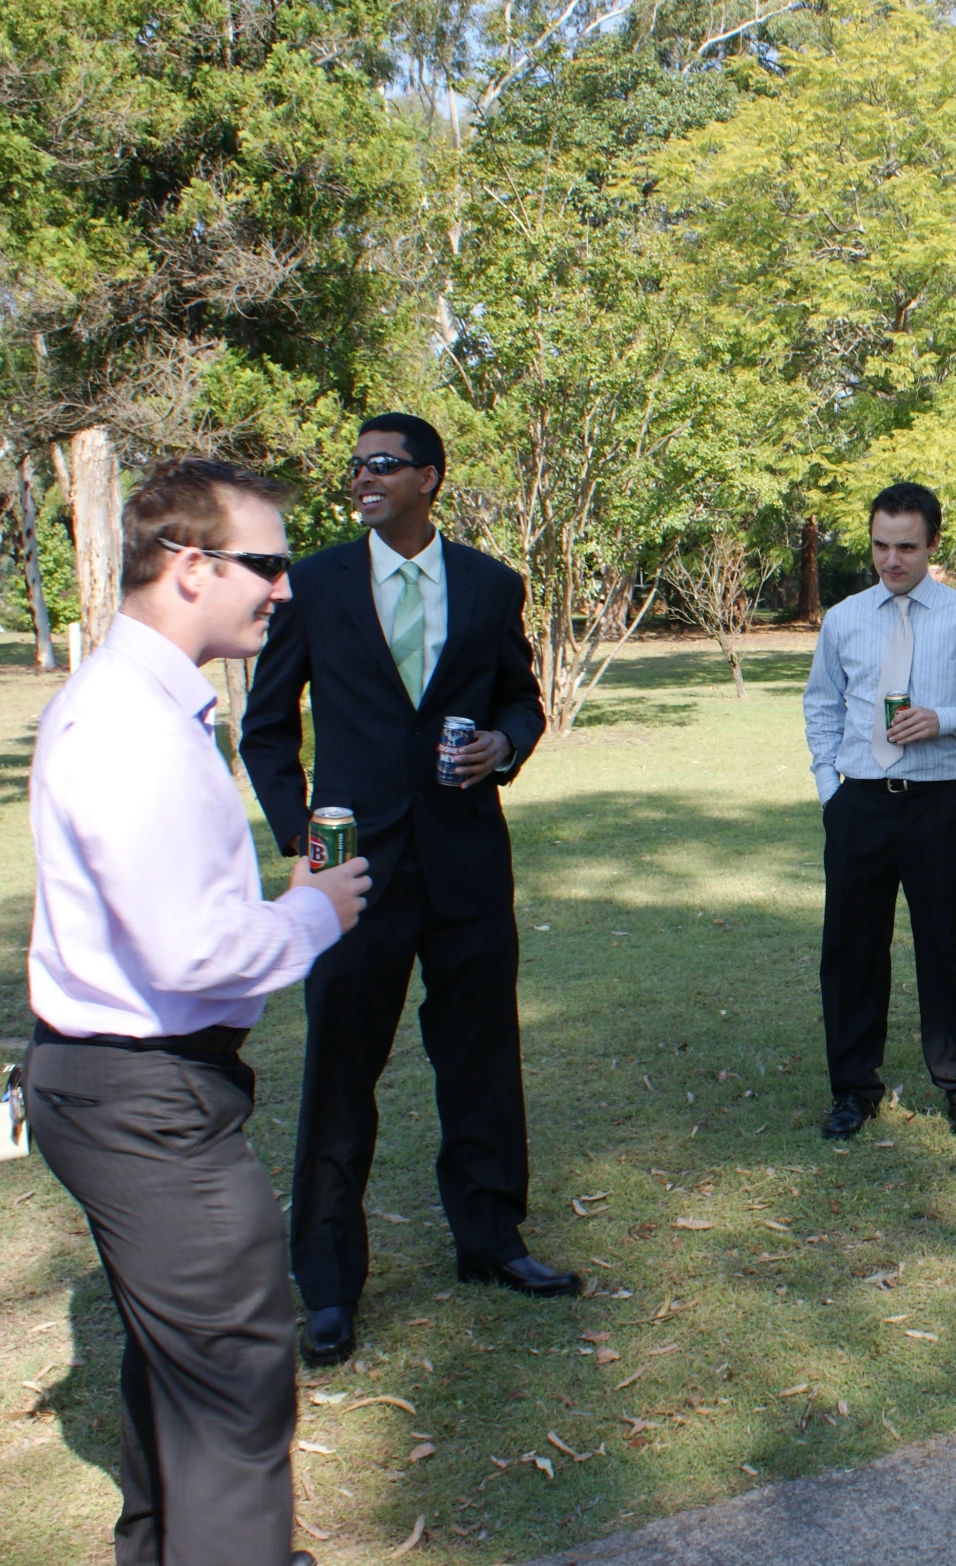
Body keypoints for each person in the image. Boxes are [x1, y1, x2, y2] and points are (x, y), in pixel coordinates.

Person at [26, 458, 370, 1566]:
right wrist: (313, 913)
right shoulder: (131, 728)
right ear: (188, 568)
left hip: (128, 1087)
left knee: (178, 1365)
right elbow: (194, 949)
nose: (283, 588)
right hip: (146, 1096)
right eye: (265, 564)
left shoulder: (143, 706)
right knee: (235, 1375)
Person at [241, 412, 570, 1372]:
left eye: (383, 464)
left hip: (465, 864)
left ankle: (492, 1241)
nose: (362, 477)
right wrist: (302, 835)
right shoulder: (319, 585)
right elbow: (268, 729)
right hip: (352, 877)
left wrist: (505, 745)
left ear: (430, 477)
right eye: (355, 466)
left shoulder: (488, 585)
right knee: (341, 1074)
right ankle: (331, 1285)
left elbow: (521, 697)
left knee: (480, 1061)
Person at [800, 482, 956, 1143]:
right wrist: (828, 788)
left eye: (905, 547)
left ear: (932, 545)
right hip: (859, 803)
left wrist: (942, 720)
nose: (890, 560)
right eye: (879, 545)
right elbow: (821, 704)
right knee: (850, 951)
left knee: (949, 948)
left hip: (936, 804)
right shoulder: (844, 619)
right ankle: (852, 1090)